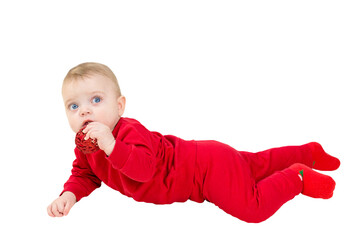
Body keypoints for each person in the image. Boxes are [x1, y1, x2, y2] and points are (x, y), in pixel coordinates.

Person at [47, 62, 340, 223]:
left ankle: (298, 176)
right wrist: (69, 195)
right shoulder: (86, 146)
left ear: (120, 106)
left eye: (96, 100)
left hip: (204, 170)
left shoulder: (127, 132)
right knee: (255, 164)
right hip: (206, 157)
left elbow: (144, 170)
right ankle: (309, 153)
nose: (85, 110)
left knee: (253, 208)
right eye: (73, 106)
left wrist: (111, 144)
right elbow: (85, 174)